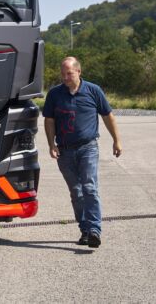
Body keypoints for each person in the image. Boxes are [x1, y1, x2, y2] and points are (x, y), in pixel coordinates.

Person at [42, 56, 122, 249]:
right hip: (64, 151)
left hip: (88, 147)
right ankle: (85, 230)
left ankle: (94, 230)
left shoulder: (93, 91)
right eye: (62, 74)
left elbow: (107, 116)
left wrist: (116, 140)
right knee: (76, 192)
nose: (65, 77)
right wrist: (51, 144)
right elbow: (49, 120)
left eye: (69, 73)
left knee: (89, 188)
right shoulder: (54, 94)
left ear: (79, 72)